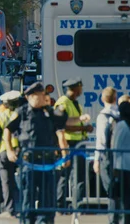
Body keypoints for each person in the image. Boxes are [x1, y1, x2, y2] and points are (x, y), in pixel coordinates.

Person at [5, 82, 67, 224]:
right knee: (28, 195)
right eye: (41, 95)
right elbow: (7, 130)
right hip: (29, 161)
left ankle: (45, 221)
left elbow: (61, 128)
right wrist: (9, 150)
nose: (44, 97)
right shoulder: (21, 112)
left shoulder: (49, 112)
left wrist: (64, 153)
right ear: (31, 97)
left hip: (47, 161)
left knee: (48, 195)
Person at [55, 77, 94, 210]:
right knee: (70, 177)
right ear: (75, 88)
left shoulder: (75, 103)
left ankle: (75, 205)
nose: (81, 90)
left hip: (78, 143)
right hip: (69, 144)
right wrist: (83, 128)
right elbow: (62, 125)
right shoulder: (63, 103)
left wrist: (85, 128)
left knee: (76, 176)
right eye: (80, 87)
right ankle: (65, 206)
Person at [0, 90, 22, 218]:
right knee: (23, 181)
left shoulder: (0, 116)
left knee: (6, 182)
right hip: (21, 150)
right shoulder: (22, 114)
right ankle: (27, 206)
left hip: (4, 152)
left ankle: (10, 209)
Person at [112, 101, 130, 224]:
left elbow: (115, 146)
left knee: (120, 196)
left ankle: (121, 220)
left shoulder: (121, 125)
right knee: (127, 196)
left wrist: (114, 166)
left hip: (120, 165)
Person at [93, 87, 119, 224]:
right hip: (120, 157)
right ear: (115, 98)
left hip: (107, 157)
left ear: (103, 99)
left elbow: (101, 140)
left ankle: (113, 218)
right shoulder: (121, 114)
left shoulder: (103, 116)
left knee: (111, 189)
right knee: (119, 188)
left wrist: (96, 160)